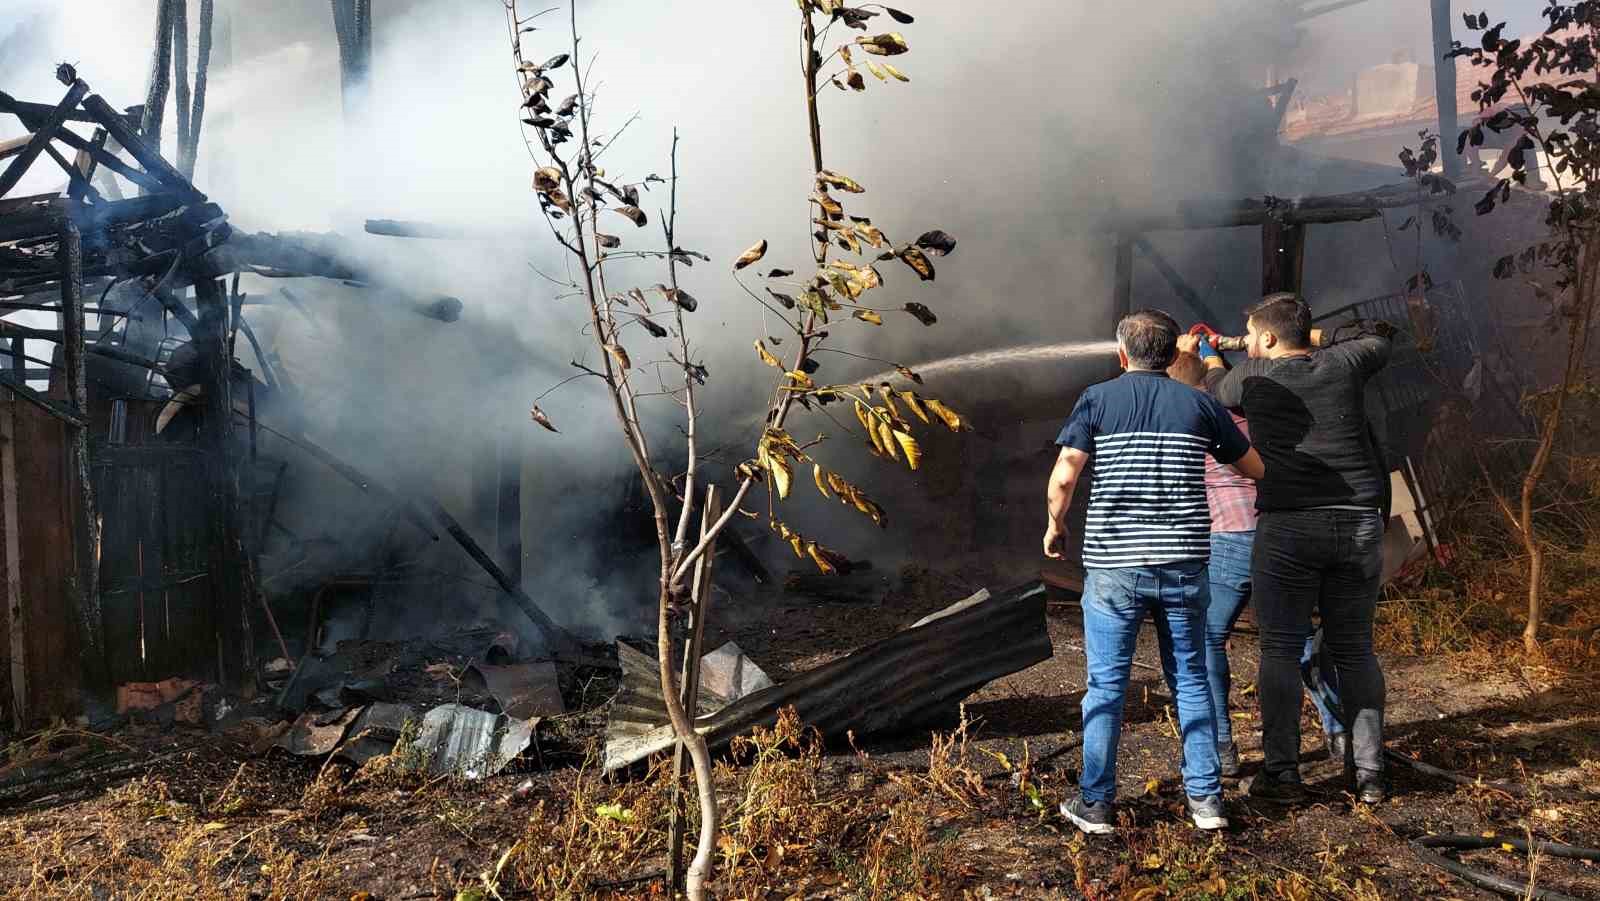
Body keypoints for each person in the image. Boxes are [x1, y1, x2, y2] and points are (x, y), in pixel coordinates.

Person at [1044, 309, 1265, 835]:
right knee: (1190, 679)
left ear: (1122, 355)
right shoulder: (1199, 404)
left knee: (1106, 686)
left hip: (1115, 567)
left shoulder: (1096, 399)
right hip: (1186, 565)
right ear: (1173, 356)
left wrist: (1056, 525)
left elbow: (1064, 476)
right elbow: (1255, 469)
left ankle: (1096, 804)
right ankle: (1207, 802)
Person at [1184, 293, 1393, 804]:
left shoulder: (1252, 378)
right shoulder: (1346, 363)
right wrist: (1314, 337)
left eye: (1253, 334)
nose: (1248, 342)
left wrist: (1212, 353)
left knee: (1279, 648)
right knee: (1355, 649)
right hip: (1360, 524)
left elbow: (1215, 387)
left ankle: (1283, 775)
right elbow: (1382, 332)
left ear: (1270, 339)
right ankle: (1370, 775)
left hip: (1290, 528)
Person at [1164, 351, 1347, 777]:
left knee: (1208, 638)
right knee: (1299, 636)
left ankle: (1221, 747)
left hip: (1228, 537)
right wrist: (1209, 353)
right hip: (1279, 531)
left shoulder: (1192, 417)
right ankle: (1340, 733)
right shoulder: (1252, 407)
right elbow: (1222, 380)